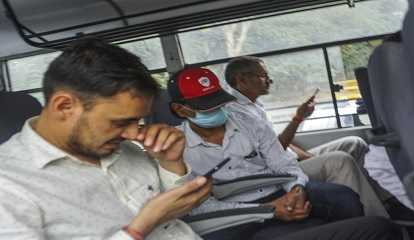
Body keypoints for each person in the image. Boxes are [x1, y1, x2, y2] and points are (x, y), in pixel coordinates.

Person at [0, 39, 212, 240]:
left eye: (137, 121)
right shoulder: (8, 185)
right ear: (64, 107)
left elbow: (177, 213)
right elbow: (154, 218)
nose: (132, 134)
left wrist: (170, 163)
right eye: (119, 122)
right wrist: (139, 228)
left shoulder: (123, 147)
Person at [168, 67, 366, 230]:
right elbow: (199, 206)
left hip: (278, 190)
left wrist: (296, 189)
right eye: (207, 107)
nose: (218, 111)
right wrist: (266, 208)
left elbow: (284, 163)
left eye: (218, 103)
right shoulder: (175, 147)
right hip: (235, 209)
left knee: (344, 198)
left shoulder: (248, 122)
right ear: (180, 109)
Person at [223, 56, 389, 217]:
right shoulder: (237, 114)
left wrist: (307, 156)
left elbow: (276, 143)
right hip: (277, 171)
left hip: (288, 159)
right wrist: (298, 118)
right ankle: (376, 217)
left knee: (355, 143)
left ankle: (386, 200)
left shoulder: (255, 106)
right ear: (242, 79)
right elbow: (275, 151)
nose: (270, 81)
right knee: (340, 160)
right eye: (264, 76)